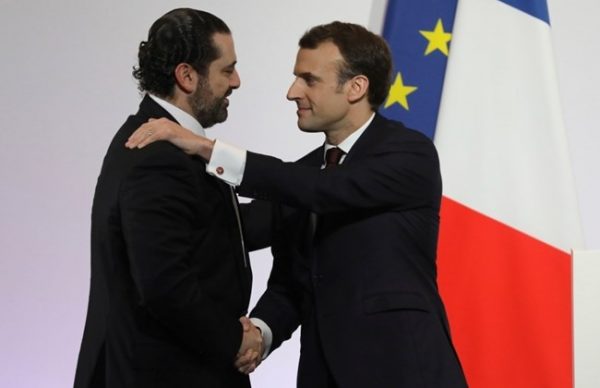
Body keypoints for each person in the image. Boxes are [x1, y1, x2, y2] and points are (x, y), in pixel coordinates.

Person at [127, 21, 467, 388]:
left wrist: (206, 148)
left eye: (309, 79)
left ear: (356, 87)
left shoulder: (408, 155)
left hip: (404, 373)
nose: (292, 92)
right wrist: (257, 333)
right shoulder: (303, 176)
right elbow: (283, 277)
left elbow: (326, 191)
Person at [74, 8, 264, 388]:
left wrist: (325, 176)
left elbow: (218, 231)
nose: (237, 81)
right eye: (227, 70)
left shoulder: (167, 143)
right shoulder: (158, 155)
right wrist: (235, 340)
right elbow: (164, 285)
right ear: (187, 76)